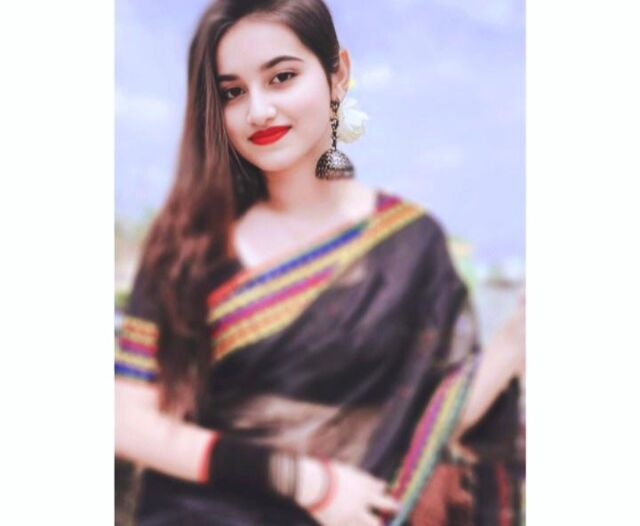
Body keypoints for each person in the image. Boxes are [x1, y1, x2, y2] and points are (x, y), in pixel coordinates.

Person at [115, 1, 525, 524]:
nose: (258, 110)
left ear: (338, 75)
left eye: (281, 77)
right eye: (232, 92)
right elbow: (126, 420)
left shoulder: (410, 245)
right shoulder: (187, 246)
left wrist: (511, 346)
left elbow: (425, 426)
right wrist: (303, 479)